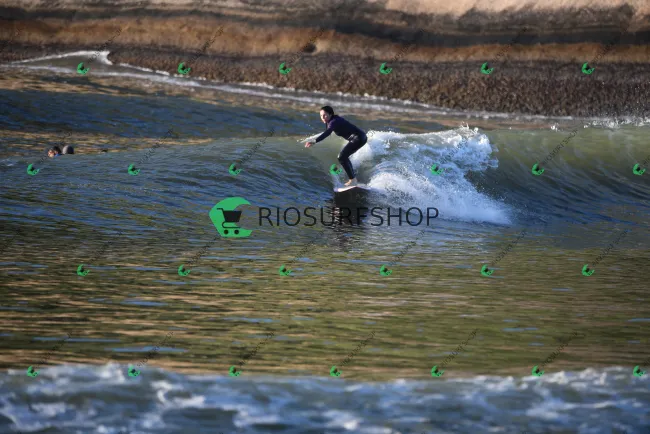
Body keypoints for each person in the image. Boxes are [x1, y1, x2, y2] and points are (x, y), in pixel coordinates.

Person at [305, 106, 367, 187]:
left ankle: (353, 180)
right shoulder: (331, 120)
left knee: (341, 157)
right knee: (344, 157)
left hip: (358, 138)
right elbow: (328, 131)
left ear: (330, 114)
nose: (322, 117)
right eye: (321, 115)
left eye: (324, 115)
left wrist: (315, 141)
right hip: (360, 137)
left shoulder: (334, 121)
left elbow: (327, 133)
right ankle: (353, 177)